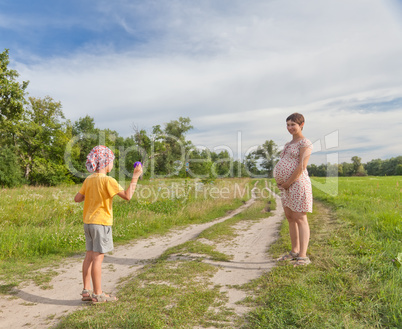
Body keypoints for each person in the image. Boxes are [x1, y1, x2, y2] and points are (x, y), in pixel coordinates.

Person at [74, 145, 143, 303]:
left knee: (89, 256)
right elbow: (127, 196)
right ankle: (98, 295)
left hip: (88, 223)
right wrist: (135, 177)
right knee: (98, 258)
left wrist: (91, 194)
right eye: (112, 161)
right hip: (101, 224)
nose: (113, 164)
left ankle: (86, 290)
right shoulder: (108, 180)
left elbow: (77, 198)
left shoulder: (89, 179)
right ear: (105, 163)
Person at [273, 113, 313, 266]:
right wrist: (281, 181)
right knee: (290, 217)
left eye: (293, 125)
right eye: (288, 125)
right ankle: (294, 251)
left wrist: (288, 183)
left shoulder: (305, 143)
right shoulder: (288, 144)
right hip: (286, 186)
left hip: (298, 184)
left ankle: (303, 257)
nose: (290, 128)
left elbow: (301, 166)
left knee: (300, 218)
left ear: (301, 124)